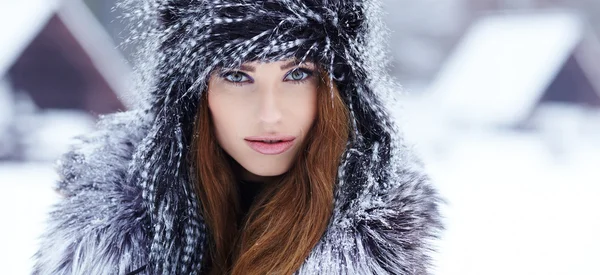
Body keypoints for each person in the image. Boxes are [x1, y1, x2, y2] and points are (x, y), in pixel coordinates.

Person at [32, 0, 443, 274]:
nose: (269, 113)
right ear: (191, 95)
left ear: (339, 91)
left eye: (297, 74)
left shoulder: (382, 241)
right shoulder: (100, 236)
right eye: (236, 75)